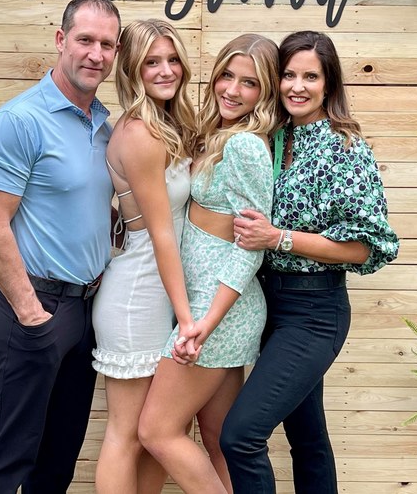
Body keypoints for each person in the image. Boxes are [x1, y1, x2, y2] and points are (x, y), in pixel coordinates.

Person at [219, 30, 400, 493]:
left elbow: (363, 248)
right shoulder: (273, 138)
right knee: (307, 439)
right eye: (288, 75)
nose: (297, 86)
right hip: (268, 305)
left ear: (329, 83)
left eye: (311, 77)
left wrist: (278, 238)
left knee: (240, 436)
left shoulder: (346, 148)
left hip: (314, 312)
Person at [0, 0, 121, 494]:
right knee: (10, 454)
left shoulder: (104, 126)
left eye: (107, 44)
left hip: (85, 310)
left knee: (58, 457)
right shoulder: (19, 121)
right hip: (32, 305)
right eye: (85, 40)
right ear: (61, 40)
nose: (95, 54)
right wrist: (32, 314)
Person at [138, 33, 281, 493]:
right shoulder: (216, 135)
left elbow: (250, 246)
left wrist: (205, 322)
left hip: (217, 309)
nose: (233, 90)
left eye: (249, 83)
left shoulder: (244, 146)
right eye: (227, 76)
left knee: (156, 431)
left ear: (266, 93)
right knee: (218, 440)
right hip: (212, 306)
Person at [91, 19, 197, 493]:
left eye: (172, 59)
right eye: (152, 62)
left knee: (161, 435)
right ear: (132, 69)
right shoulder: (139, 134)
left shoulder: (168, 126)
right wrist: (187, 318)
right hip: (137, 296)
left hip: (164, 292)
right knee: (127, 435)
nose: (166, 70)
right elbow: (162, 235)